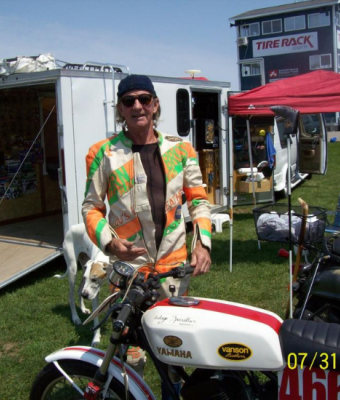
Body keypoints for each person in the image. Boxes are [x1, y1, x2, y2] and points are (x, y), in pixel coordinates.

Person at [82, 74, 211, 398]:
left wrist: (204, 244)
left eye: (144, 99)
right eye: (129, 101)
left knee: (174, 345)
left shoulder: (181, 150)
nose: (137, 106)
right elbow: (91, 207)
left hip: (173, 265)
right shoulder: (103, 153)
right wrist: (110, 243)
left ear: (155, 105)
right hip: (129, 268)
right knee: (132, 348)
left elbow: (197, 199)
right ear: (120, 110)